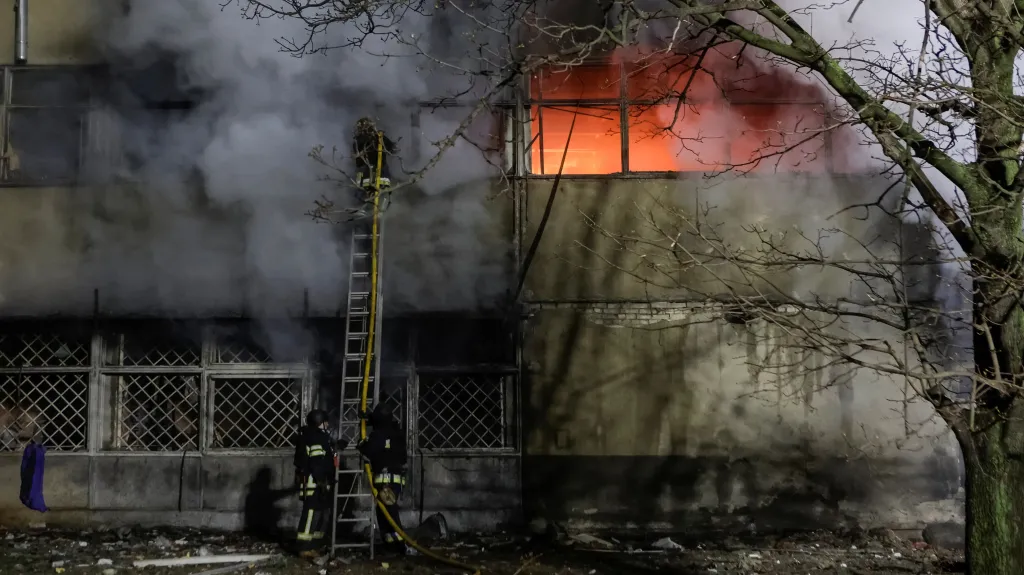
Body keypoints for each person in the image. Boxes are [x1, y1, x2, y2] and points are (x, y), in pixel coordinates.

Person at [356, 403, 410, 555]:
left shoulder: (378, 435)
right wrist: (368, 418)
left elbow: (368, 452)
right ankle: (391, 544)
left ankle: (400, 545)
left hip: (384, 481)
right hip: (396, 480)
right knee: (385, 513)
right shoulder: (397, 433)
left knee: (389, 514)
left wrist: (361, 444)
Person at [293, 409, 346, 558]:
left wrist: (336, 447)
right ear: (319, 422)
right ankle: (304, 547)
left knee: (321, 513)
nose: (327, 424)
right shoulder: (315, 437)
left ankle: (314, 545)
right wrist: (321, 481)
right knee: (311, 514)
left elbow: (324, 455)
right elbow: (317, 461)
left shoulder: (312, 436)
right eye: (325, 422)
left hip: (319, 482)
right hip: (315, 483)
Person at [352, 117, 398, 192]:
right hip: (381, 176)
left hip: (366, 177)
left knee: (366, 198)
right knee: (381, 197)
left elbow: (358, 163)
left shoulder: (357, 140)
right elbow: (393, 149)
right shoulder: (379, 137)